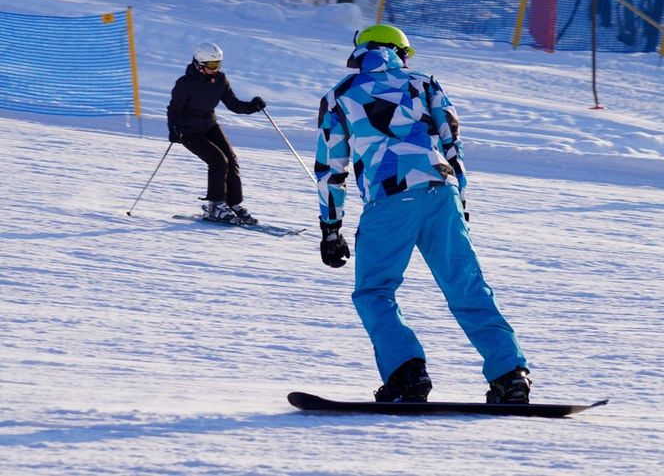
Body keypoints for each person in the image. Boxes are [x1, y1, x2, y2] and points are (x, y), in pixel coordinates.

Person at [314, 24, 531, 404]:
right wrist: (459, 203)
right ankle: (510, 375)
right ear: (400, 52)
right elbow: (452, 144)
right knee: (466, 284)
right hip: (440, 192)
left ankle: (406, 373)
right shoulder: (424, 83)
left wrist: (331, 228)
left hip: (390, 197)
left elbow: (331, 167)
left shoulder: (340, 95)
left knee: (375, 290)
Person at [167, 41, 266, 225]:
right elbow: (173, 110)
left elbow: (234, 104)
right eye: (212, 65)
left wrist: (253, 106)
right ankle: (216, 205)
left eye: (218, 64)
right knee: (218, 161)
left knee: (231, 159)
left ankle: (233, 203)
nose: (216, 69)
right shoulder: (185, 84)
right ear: (199, 64)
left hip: (209, 126)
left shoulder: (220, 80)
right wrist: (173, 128)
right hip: (189, 131)